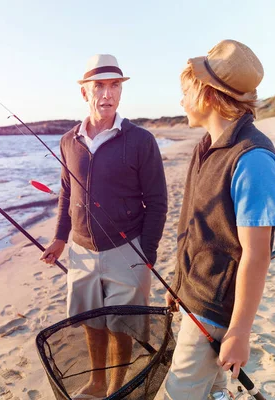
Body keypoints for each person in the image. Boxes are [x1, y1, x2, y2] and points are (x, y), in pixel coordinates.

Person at [162, 40, 275, 400]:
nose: (181, 100)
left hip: (215, 312)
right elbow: (196, 228)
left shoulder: (253, 160)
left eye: (185, 92)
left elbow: (256, 255)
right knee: (213, 392)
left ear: (207, 94)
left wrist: (239, 332)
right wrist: (178, 282)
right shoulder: (206, 145)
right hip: (193, 296)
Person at [40, 54, 168, 398]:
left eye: (114, 86)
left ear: (121, 92)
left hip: (128, 251)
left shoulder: (141, 140)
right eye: (99, 86)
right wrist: (59, 239)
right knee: (91, 323)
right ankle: (96, 383)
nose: (107, 94)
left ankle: (115, 388)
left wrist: (147, 253)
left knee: (121, 326)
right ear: (85, 92)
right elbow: (66, 194)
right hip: (81, 251)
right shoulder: (69, 141)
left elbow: (157, 202)